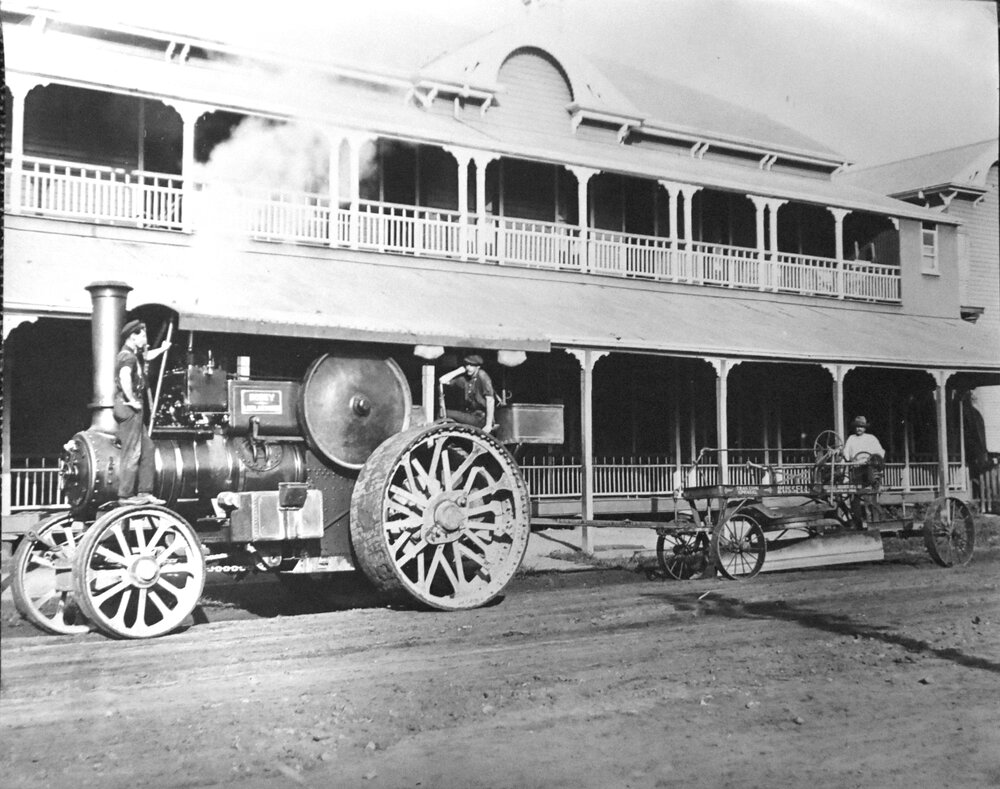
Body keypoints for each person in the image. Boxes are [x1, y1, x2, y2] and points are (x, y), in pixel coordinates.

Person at [114, 319, 170, 505]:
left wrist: (163, 349)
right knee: (133, 451)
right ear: (133, 336)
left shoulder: (134, 355)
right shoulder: (126, 357)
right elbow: (124, 377)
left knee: (148, 448)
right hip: (129, 408)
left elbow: (148, 356)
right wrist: (130, 399)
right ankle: (125, 496)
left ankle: (145, 492)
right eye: (143, 335)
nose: (145, 340)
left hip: (133, 409)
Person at [439, 353, 496, 432]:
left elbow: (490, 400)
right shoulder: (466, 378)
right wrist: (459, 371)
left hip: (481, 418)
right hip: (471, 415)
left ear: (478, 367)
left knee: (446, 413)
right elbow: (442, 380)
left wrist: (488, 425)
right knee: (444, 413)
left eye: (471, 365)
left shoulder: (482, 376)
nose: (468, 367)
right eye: (467, 365)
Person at [841, 415, 886, 489]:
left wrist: (871, 459)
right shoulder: (851, 438)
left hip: (868, 466)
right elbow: (846, 452)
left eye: (861, 427)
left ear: (865, 428)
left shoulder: (871, 438)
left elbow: (880, 452)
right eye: (857, 427)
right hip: (856, 467)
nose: (859, 429)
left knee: (871, 476)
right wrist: (847, 456)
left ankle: (874, 484)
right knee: (856, 487)